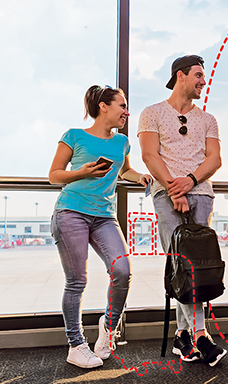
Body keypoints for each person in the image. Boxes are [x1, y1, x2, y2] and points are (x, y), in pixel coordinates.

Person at [49, 85, 149, 368]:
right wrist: (83, 171)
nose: (127, 112)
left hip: (104, 216)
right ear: (103, 106)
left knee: (122, 271)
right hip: (71, 212)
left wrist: (139, 176)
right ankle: (76, 344)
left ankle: (109, 327)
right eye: (122, 105)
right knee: (77, 281)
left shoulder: (122, 143)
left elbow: (124, 169)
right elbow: (54, 175)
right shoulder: (74, 136)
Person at [138, 55, 226, 366]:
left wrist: (188, 182)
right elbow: (149, 155)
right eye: (199, 75)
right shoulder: (151, 113)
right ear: (181, 76)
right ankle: (202, 335)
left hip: (200, 193)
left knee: (195, 267)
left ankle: (182, 336)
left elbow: (214, 160)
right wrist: (173, 188)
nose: (203, 81)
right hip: (166, 195)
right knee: (182, 265)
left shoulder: (208, 119)